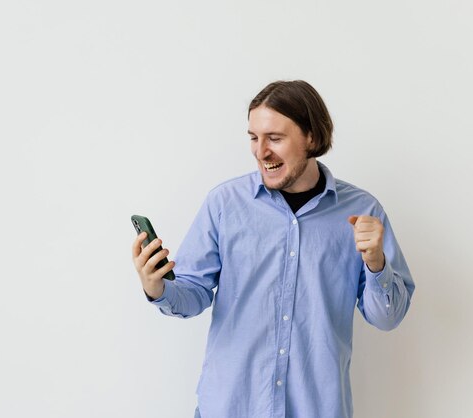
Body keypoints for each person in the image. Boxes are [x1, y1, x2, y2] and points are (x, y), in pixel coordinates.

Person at [131, 80, 415, 418]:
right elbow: (193, 294)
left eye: (275, 138)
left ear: (311, 136)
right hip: (231, 407)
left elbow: (387, 318)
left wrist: (376, 264)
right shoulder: (224, 204)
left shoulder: (363, 212)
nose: (260, 151)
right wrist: (158, 287)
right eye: (254, 137)